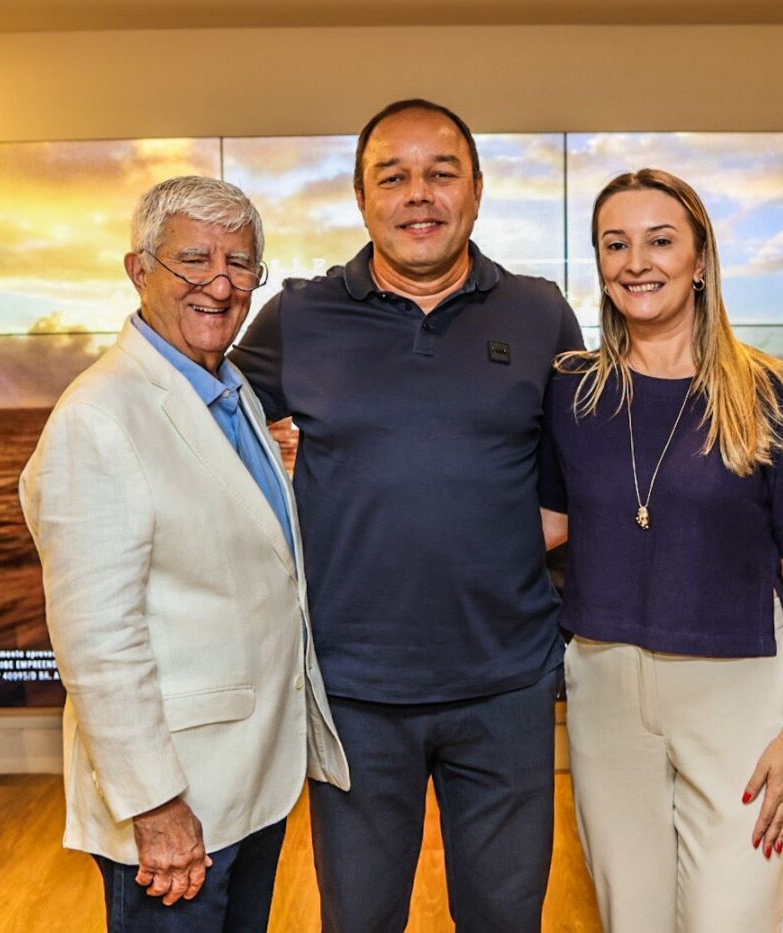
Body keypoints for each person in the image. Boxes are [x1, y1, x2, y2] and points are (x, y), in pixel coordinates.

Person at [231, 99, 584, 933]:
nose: (417, 194)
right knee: (359, 920)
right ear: (362, 199)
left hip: (508, 687)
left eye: (440, 173)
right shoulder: (300, 316)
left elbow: (572, 487)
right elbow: (204, 420)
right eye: (393, 176)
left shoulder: (540, 314)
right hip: (353, 691)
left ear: (477, 190)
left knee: (506, 919)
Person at [20, 175, 350, 932]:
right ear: (139, 270)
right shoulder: (98, 416)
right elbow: (97, 640)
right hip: (176, 803)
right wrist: (156, 805)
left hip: (247, 784)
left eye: (241, 263)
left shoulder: (233, 393)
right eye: (193, 260)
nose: (221, 283)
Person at [538, 169, 783, 932]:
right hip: (606, 688)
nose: (637, 262)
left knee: (732, 919)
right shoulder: (572, 394)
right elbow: (544, 527)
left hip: (740, 692)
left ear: (701, 259)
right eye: (616, 244)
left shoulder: (774, 395)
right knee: (632, 918)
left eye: (660, 241)